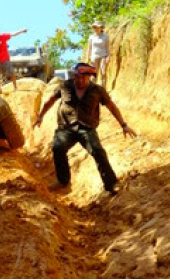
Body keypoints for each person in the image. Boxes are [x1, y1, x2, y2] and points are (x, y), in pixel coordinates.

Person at [33, 61, 136, 194]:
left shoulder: (98, 90)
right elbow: (50, 101)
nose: (80, 80)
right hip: (66, 128)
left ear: (89, 77)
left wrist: (124, 125)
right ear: (74, 75)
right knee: (58, 147)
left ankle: (111, 184)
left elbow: (111, 107)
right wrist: (41, 116)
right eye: (77, 77)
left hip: (86, 128)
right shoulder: (65, 86)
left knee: (98, 151)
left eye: (83, 77)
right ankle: (63, 180)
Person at [0, 25, 27, 92]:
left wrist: (22, 31)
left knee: (11, 73)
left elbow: (13, 34)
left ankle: (15, 87)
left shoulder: (3, 36)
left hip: (5, 59)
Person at [85, 21, 110, 85]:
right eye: (94, 27)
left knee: (103, 72)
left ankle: (103, 89)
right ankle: (92, 89)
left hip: (103, 56)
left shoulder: (105, 36)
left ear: (101, 28)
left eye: (96, 27)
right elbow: (89, 48)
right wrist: (87, 58)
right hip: (94, 57)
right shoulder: (91, 37)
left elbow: (107, 47)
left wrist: (108, 56)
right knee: (93, 74)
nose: (95, 29)